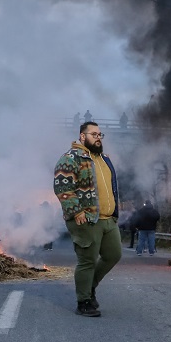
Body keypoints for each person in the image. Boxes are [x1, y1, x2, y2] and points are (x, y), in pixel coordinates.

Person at [53, 121, 122, 317]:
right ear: (82, 136)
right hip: (87, 218)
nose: (98, 137)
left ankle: (89, 287)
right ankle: (83, 302)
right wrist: (77, 212)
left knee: (113, 255)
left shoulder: (104, 159)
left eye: (100, 134)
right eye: (93, 134)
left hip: (109, 219)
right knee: (87, 261)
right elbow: (62, 187)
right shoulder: (71, 158)